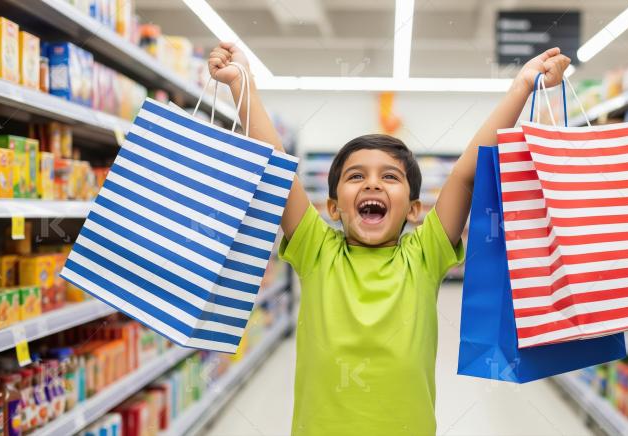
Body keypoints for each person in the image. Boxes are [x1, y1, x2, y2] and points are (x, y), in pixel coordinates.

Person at [208, 42, 570, 436]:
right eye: (356, 176)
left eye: (390, 177)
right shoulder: (317, 251)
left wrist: (521, 86)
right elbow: (275, 166)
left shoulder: (424, 255)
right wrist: (241, 85)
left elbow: (468, 172)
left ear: (414, 210)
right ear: (333, 207)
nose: (373, 184)